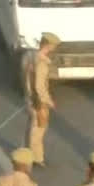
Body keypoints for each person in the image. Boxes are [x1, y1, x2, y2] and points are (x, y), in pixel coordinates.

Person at [22, 32, 61, 169]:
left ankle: (28, 153)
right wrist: (49, 101)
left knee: (31, 128)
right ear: (48, 46)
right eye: (53, 46)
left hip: (29, 97)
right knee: (38, 130)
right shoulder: (42, 64)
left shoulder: (29, 56)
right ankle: (35, 158)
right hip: (38, 101)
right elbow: (39, 87)